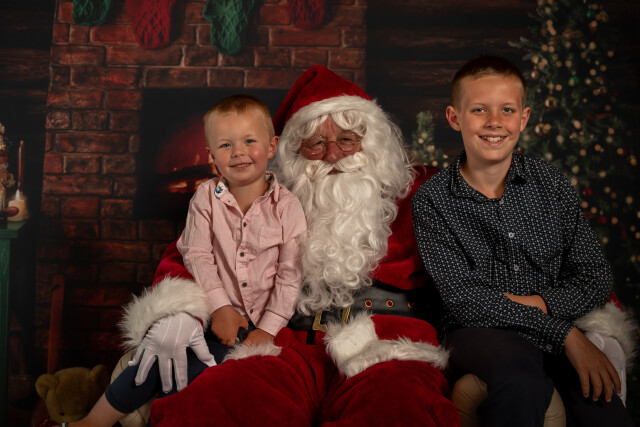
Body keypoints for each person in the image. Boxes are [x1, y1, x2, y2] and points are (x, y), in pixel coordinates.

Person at [123, 65, 461, 425]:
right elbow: (193, 250)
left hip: (389, 345)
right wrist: (179, 312)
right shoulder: (264, 196)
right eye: (316, 144)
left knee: (399, 409)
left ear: (372, 142)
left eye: (347, 139)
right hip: (284, 343)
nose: (333, 155)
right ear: (293, 153)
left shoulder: (422, 192)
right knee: (216, 404)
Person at [412, 55, 635, 426]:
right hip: (478, 331)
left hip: (553, 321)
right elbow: (466, 300)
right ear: (454, 118)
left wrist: (542, 304)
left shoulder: (551, 184)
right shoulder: (434, 199)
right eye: (479, 110)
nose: (494, 122)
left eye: (507, 110)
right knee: (520, 384)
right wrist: (565, 334)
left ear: (524, 118)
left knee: (602, 408)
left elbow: (594, 275)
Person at [71, 94, 307, 427]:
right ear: (211, 155)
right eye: (226, 145)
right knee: (154, 360)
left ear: (271, 147)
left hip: (264, 325)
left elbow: (290, 275)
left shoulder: (288, 206)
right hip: (213, 316)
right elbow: (197, 254)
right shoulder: (205, 198)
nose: (238, 152)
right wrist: (221, 308)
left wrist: (267, 330)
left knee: (200, 376)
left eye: (249, 141)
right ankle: (92, 422)